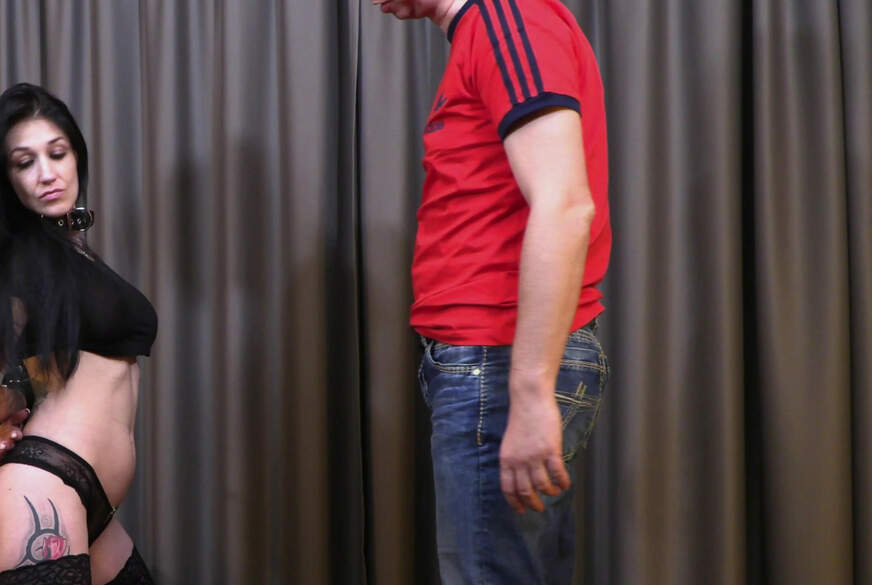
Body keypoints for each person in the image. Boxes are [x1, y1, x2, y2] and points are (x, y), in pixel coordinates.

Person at [375, 0, 611, 582]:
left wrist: (528, 392)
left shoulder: (508, 17)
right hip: (490, 364)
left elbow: (565, 205)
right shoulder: (490, 27)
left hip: (497, 362)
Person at [0, 83, 156, 585]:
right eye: (24, 162)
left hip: (91, 503)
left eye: (57, 153)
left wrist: (15, 396)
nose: (46, 173)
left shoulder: (66, 250)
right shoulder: (16, 258)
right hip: (44, 487)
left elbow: (39, 364)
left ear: (76, 156)